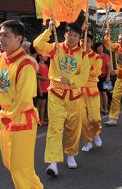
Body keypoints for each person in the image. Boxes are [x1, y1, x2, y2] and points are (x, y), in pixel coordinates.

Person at [0, 20, 43, 188]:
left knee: (20, 170)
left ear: (19, 39)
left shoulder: (26, 64)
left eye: (6, 35)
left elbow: (23, 101)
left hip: (21, 119)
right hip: (6, 118)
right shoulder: (0, 58)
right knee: (12, 165)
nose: (1, 39)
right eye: (0, 35)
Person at [34, 21, 89, 176]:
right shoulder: (55, 48)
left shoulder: (83, 54)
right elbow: (38, 46)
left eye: (75, 35)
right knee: (55, 129)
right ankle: (53, 162)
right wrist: (49, 30)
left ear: (79, 37)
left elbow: (84, 77)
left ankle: (71, 154)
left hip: (74, 96)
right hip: (56, 95)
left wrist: (70, 80)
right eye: (69, 34)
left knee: (73, 128)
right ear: (64, 34)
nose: (72, 38)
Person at [80, 32, 103, 153]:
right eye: (82, 41)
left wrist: (85, 59)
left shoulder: (97, 57)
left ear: (91, 43)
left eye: (87, 41)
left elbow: (96, 73)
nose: (84, 43)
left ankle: (96, 133)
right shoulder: (75, 55)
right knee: (83, 119)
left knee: (94, 117)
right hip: (78, 90)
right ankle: (87, 141)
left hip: (92, 89)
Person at [95, 41, 111, 115]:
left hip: (104, 77)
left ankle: (106, 109)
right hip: (97, 77)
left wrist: (108, 77)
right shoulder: (94, 56)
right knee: (99, 94)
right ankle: (101, 108)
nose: (100, 48)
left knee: (104, 93)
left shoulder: (106, 56)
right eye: (99, 47)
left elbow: (109, 67)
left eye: (102, 47)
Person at [37, 55, 49, 125]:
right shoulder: (38, 65)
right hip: (41, 87)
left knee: (44, 104)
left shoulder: (46, 66)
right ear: (40, 57)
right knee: (39, 103)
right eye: (45, 56)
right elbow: (38, 78)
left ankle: (42, 119)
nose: (46, 57)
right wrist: (40, 89)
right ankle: (38, 120)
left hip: (46, 87)